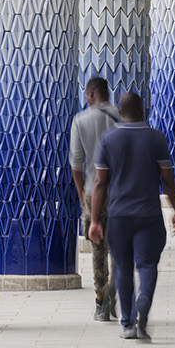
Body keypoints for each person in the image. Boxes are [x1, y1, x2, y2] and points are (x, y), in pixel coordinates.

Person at [89, 92, 175, 341]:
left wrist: (95, 220)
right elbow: (167, 179)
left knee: (124, 268)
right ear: (142, 109)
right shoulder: (156, 138)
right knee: (148, 265)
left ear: (120, 111)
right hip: (149, 215)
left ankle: (127, 324)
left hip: (119, 216)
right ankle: (144, 303)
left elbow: (99, 183)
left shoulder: (108, 139)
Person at [70, 76, 120, 320]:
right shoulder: (122, 119)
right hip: (121, 191)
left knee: (98, 247)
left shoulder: (80, 121)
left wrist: (82, 193)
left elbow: (76, 163)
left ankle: (101, 301)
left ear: (90, 95)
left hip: (92, 190)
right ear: (106, 94)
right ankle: (117, 291)